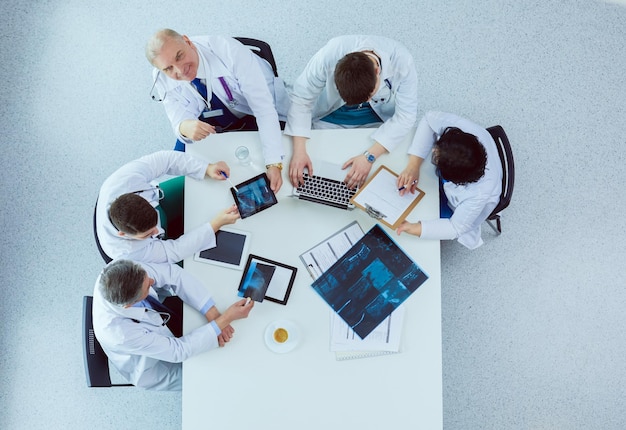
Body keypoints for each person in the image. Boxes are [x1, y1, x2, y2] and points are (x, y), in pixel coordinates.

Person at [146, 29, 289, 192]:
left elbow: (263, 109)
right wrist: (183, 127)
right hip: (209, 114)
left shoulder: (230, 51)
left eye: (179, 56)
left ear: (188, 41)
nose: (179, 70)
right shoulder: (160, 75)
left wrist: (273, 163)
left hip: (252, 108)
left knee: (280, 147)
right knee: (184, 163)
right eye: (168, 68)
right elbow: (177, 118)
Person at [92, 259, 254, 391]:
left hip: (164, 323)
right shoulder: (120, 334)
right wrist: (225, 319)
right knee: (218, 380)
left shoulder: (119, 270)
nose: (152, 281)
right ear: (129, 305)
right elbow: (178, 351)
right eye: (148, 286)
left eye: (146, 276)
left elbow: (174, 275)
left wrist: (214, 315)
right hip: (156, 366)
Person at [285, 35, 419, 189]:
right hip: (330, 118)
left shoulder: (402, 61)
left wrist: (369, 157)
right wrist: (299, 151)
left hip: (376, 122)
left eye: (370, 95)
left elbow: (406, 115)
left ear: (377, 71)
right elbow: (301, 99)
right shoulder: (328, 55)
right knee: (319, 171)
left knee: (377, 179)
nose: (365, 101)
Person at [95, 150, 240, 264]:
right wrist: (215, 224)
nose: (158, 230)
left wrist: (206, 168)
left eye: (154, 226)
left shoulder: (123, 180)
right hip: (160, 251)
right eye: (148, 234)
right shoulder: (128, 252)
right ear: (123, 234)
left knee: (204, 183)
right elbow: (175, 250)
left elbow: (166, 160)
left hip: (162, 206)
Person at [396, 111, 503, 249]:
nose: (433, 150)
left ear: (453, 179)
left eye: (436, 157)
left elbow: (454, 228)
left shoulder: (478, 194)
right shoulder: (463, 134)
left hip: (460, 205)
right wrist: (414, 165)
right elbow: (429, 119)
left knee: (418, 212)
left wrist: (413, 228)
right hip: (460, 178)